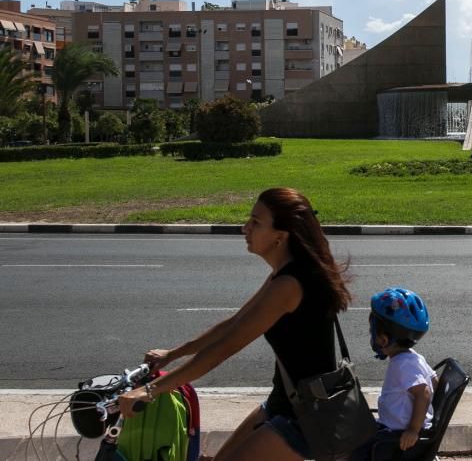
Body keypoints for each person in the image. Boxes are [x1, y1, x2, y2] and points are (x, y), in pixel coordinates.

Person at [118, 187, 352, 461]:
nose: (245, 228)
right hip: (285, 403)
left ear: (280, 236)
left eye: (256, 222)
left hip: (304, 419)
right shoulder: (285, 273)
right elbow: (235, 322)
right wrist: (173, 354)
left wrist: (150, 391)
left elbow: (224, 348)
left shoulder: (290, 284)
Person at [350, 288, 435, 461]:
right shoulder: (412, 356)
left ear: (383, 340)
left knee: (352, 450)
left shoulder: (402, 365)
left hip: (395, 438)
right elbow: (434, 380)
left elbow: (424, 393)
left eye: (371, 331)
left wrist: (413, 429)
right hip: (392, 429)